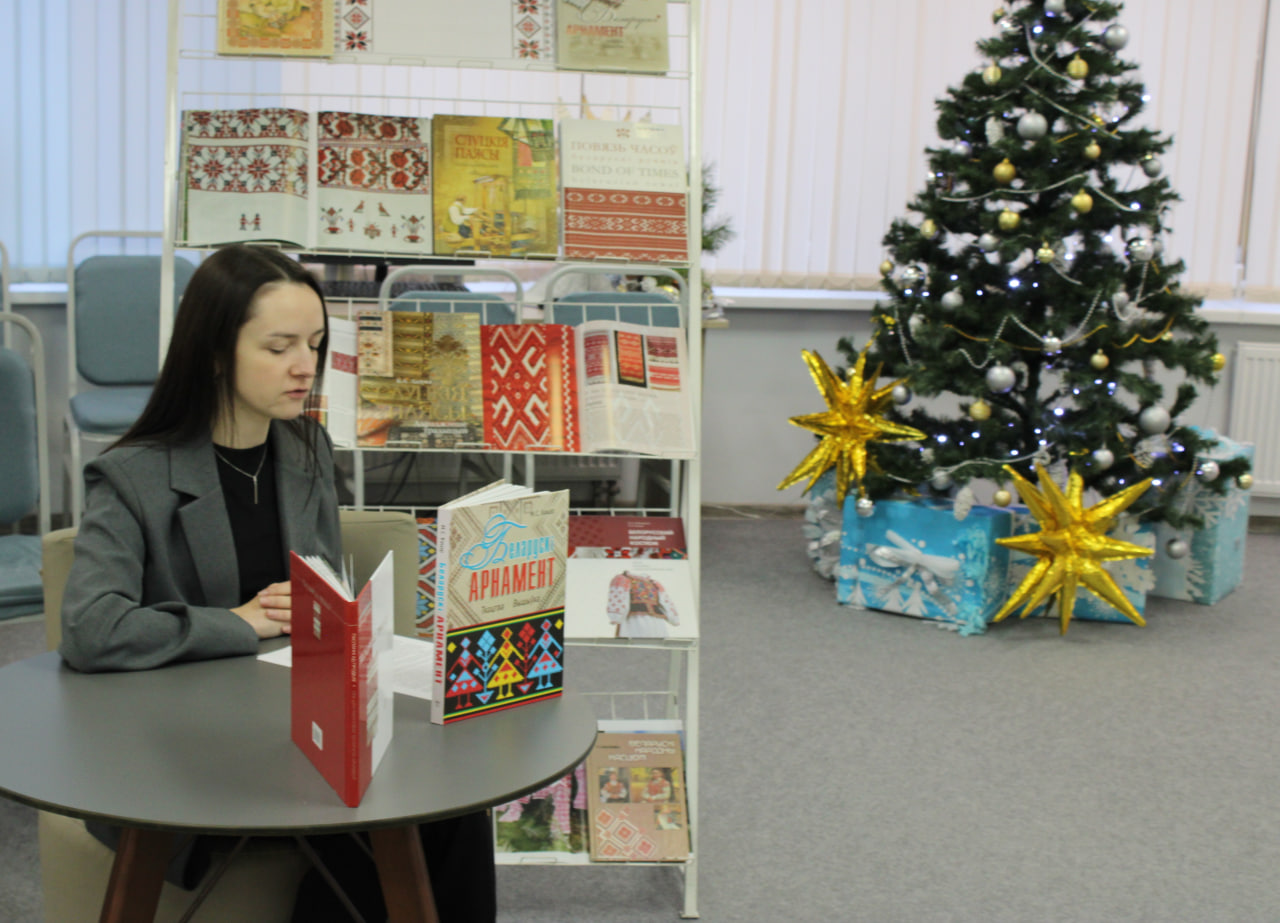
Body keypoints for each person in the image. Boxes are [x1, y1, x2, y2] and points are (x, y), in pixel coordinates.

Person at [58, 244, 496, 922]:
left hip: (298, 723)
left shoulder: (305, 448)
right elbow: (90, 629)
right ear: (214, 352)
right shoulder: (131, 477)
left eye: (314, 344)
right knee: (370, 814)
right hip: (183, 747)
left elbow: (315, 597)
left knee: (455, 801)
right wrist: (237, 621)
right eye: (279, 346)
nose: (304, 366)